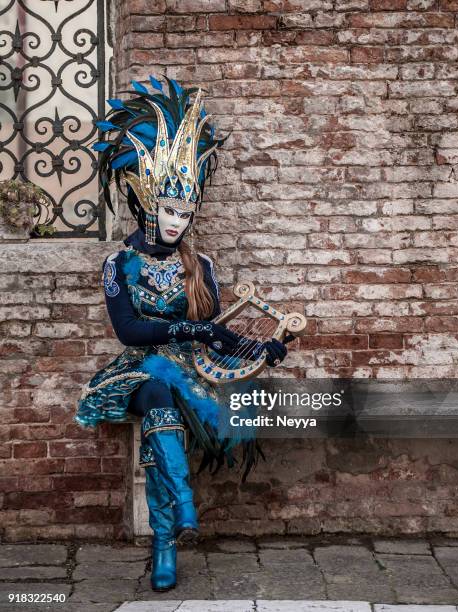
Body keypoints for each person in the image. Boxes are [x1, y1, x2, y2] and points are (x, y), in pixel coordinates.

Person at [74, 77, 289, 592]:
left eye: (186, 212)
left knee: (169, 401)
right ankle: (175, 525)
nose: (179, 221)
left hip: (195, 370)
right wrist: (187, 327)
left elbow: (213, 332)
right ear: (148, 202)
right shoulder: (120, 263)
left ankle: (167, 534)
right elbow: (129, 331)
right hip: (142, 368)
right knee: (156, 390)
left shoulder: (202, 264)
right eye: (171, 210)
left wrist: (261, 349)